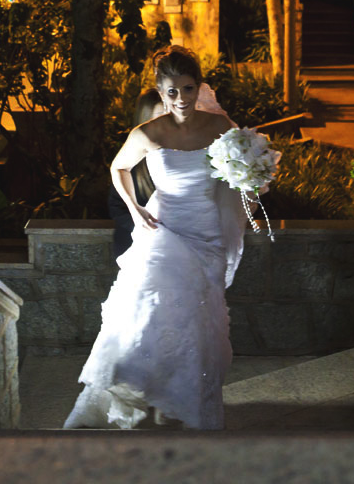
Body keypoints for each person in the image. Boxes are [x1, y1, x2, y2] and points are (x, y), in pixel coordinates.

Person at [64, 46, 245, 430]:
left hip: (206, 235)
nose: (181, 99)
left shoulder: (221, 127)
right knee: (154, 313)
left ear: (199, 87)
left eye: (188, 88)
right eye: (172, 91)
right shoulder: (147, 132)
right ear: (161, 93)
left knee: (197, 320)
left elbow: (238, 171)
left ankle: (180, 400)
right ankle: (148, 390)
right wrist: (134, 208)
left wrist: (250, 175)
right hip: (163, 230)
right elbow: (119, 168)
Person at [106, 88, 164, 259]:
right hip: (137, 245)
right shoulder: (132, 157)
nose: (167, 120)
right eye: (160, 115)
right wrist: (141, 223)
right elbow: (116, 206)